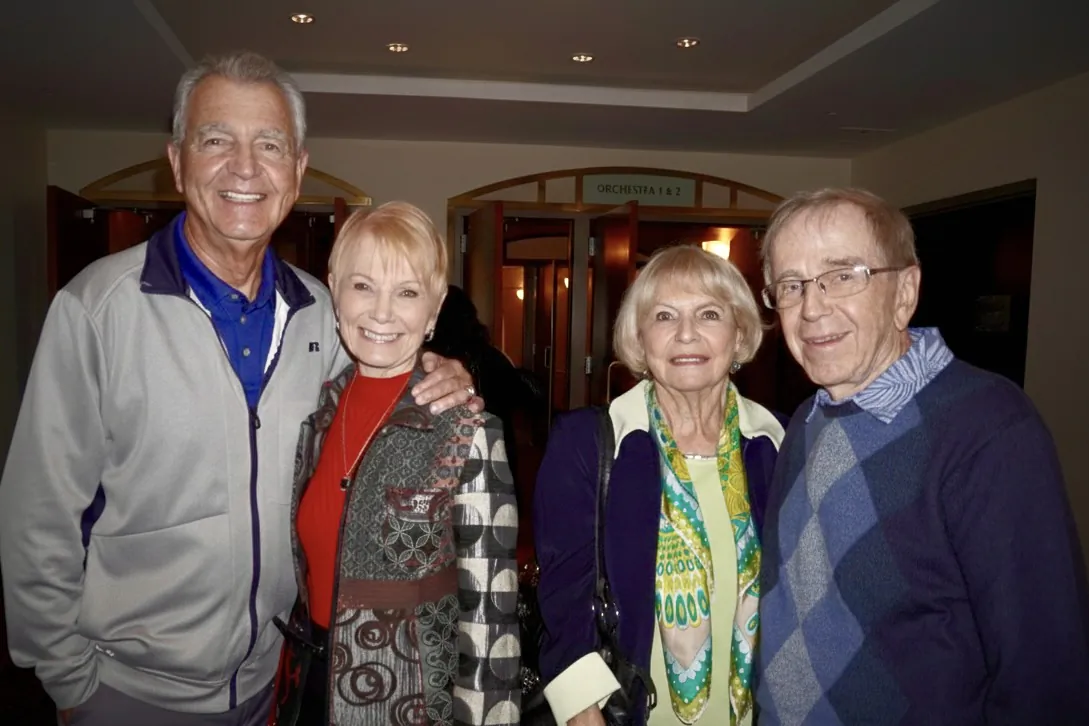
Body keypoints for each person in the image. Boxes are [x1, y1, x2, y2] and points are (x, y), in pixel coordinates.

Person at [0, 52, 477, 726]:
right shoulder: (97, 309)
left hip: (270, 686)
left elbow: (383, 376)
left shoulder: (325, 314)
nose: (245, 167)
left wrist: (440, 369)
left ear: (298, 169)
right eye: (216, 139)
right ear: (177, 161)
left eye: (269, 145)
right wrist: (70, 681)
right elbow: (36, 517)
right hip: (124, 693)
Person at [754, 188, 1089, 725]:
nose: (812, 308)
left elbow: (1045, 671)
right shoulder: (805, 421)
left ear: (905, 292)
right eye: (791, 285)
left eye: (843, 275)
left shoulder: (990, 429)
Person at [270, 202, 520, 726]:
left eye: (407, 293)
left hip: (407, 703)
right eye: (363, 287)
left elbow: (492, 622)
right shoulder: (318, 417)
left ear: (432, 312)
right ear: (334, 292)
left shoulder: (467, 429)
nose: (382, 313)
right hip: (305, 689)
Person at [534, 245, 785, 726]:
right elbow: (564, 599)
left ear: (739, 336)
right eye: (665, 316)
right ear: (640, 338)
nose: (686, 334)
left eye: (709, 314)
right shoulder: (587, 443)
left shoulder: (780, 443)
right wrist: (582, 711)